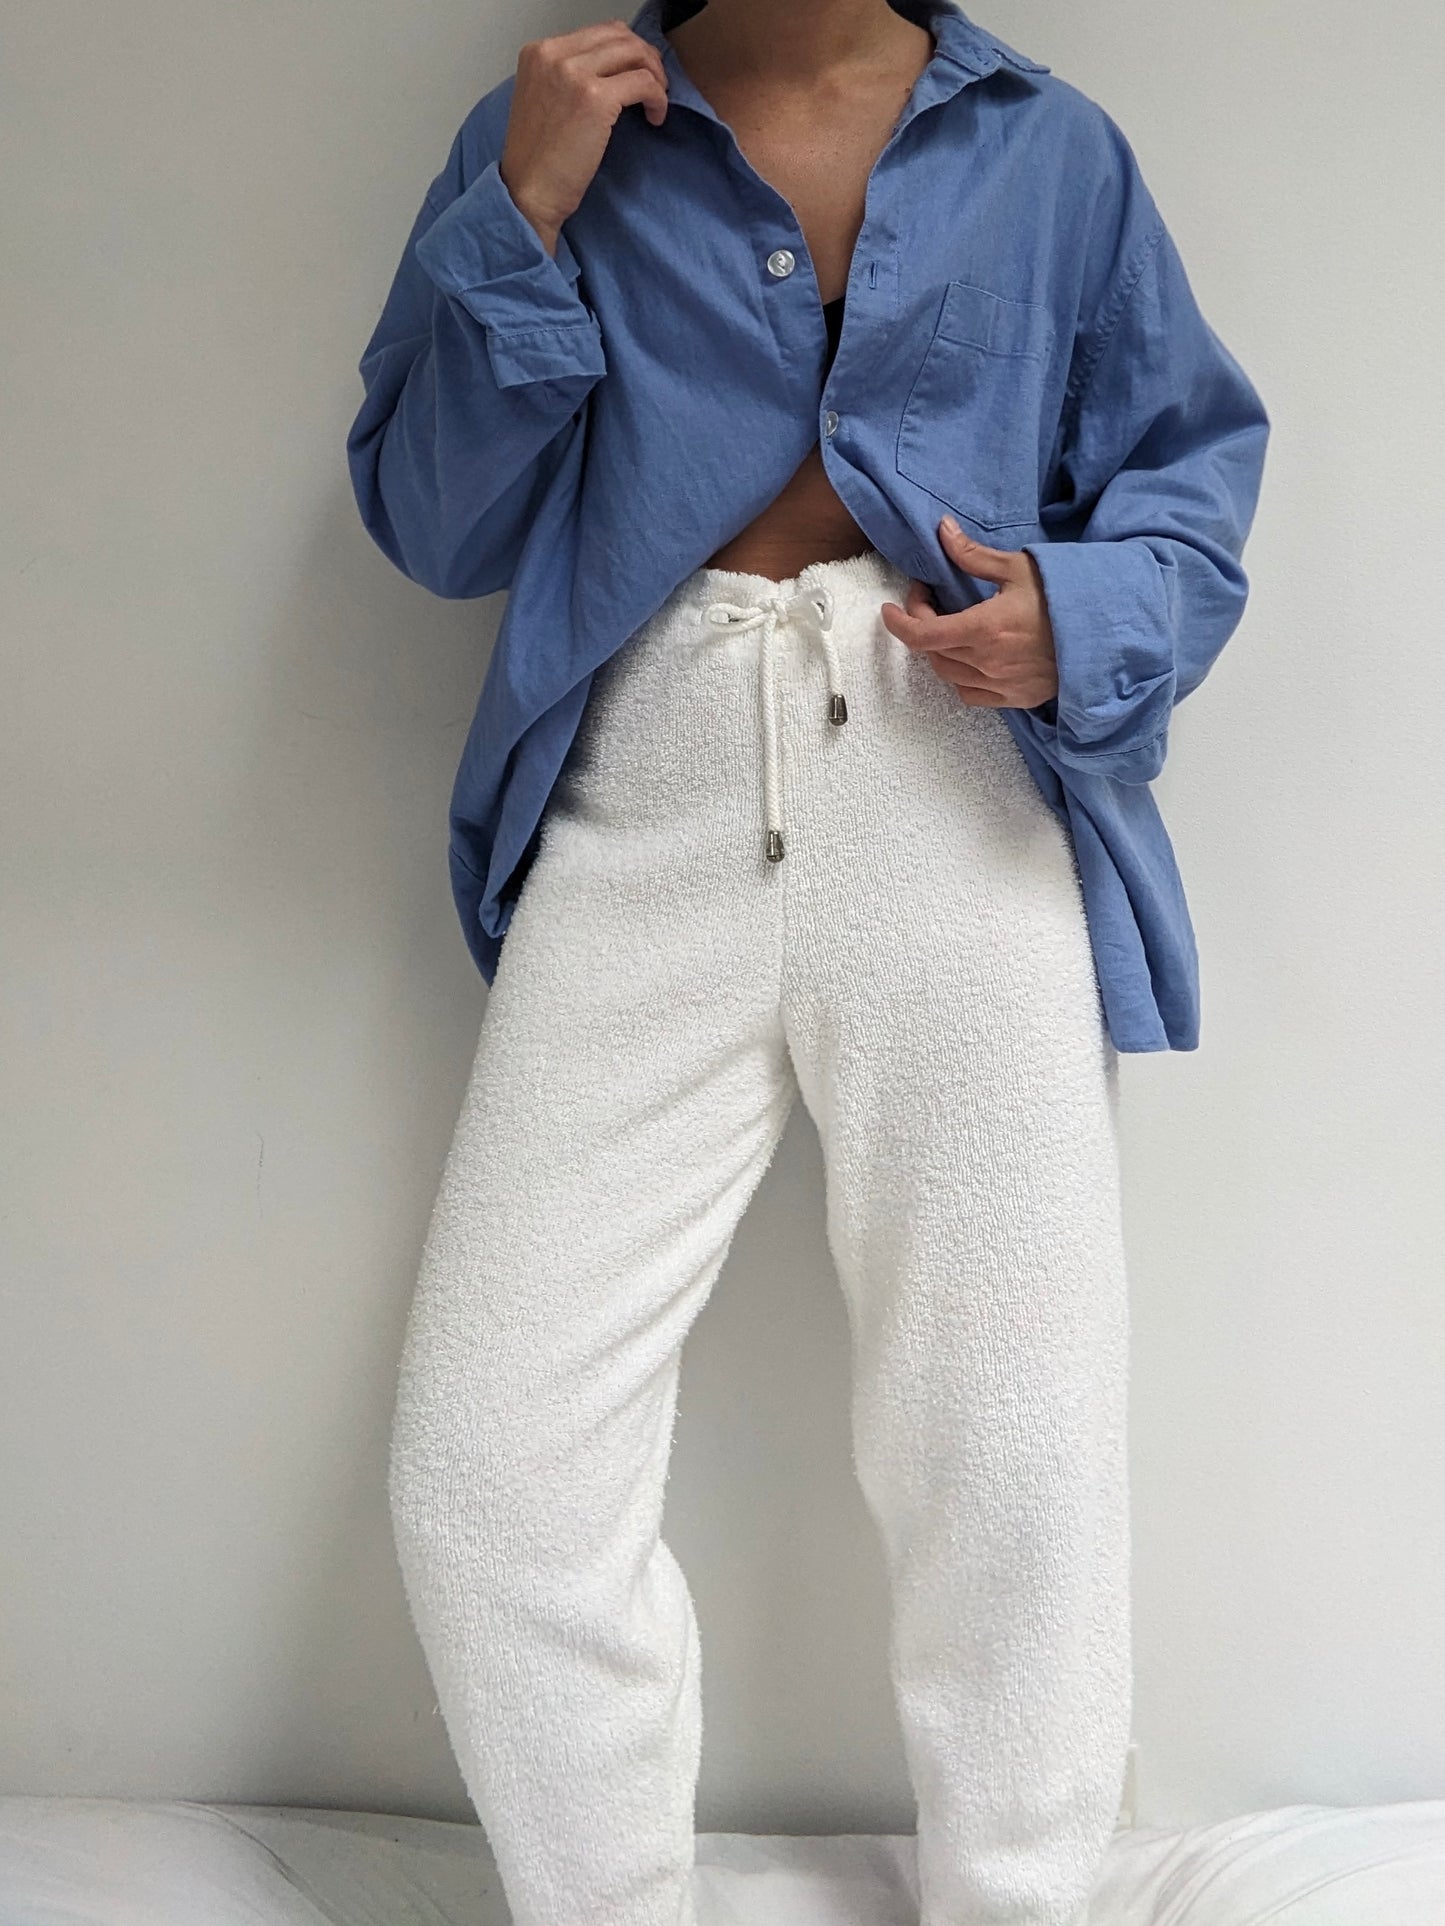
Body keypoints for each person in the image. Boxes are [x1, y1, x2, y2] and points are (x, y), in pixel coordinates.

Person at [346, 1, 1269, 1921]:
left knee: (1009, 1440)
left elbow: (1187, 490)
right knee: (489, 1462)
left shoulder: (1051, 152)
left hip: (956, 800)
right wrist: (521, 214)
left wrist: (1074, 614)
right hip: (644, 795)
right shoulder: (553, 131)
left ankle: (1019, 1896)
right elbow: (436, 523)